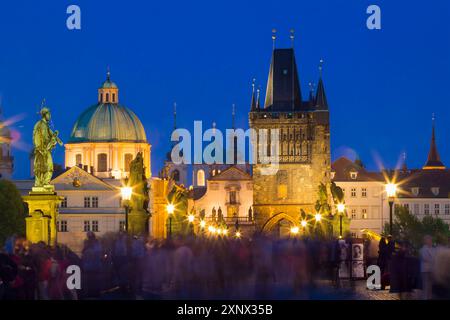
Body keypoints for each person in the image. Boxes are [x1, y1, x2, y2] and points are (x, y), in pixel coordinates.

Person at [419, 235, 435, 300]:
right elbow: (426, 258)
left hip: (432, 270)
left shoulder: (433, 249)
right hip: (425, 270)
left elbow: (435, 258)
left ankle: (429, 298)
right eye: (428, 240)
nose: (430, 241)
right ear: (425, 241)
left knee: (430, 287)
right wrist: (432, 259)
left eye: (430, 240)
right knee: (425, 286)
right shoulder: (423, 249)